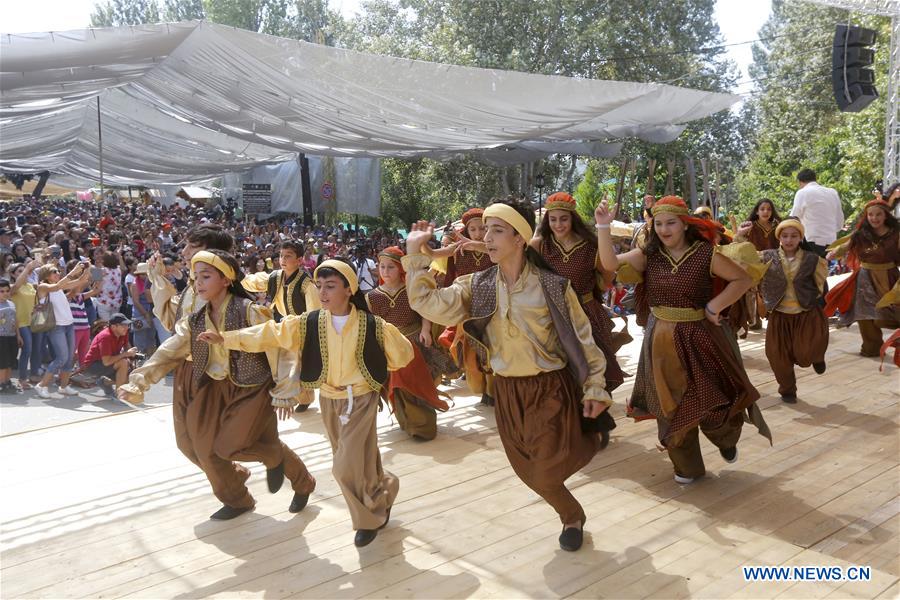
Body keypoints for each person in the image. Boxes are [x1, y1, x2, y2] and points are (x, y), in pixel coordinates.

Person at [403, 198, 614, 552]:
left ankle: (571, 516)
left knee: (544, 472)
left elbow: (583, 339)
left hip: (550, 389)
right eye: (485, 229)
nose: (487, 237)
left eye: (497, 230)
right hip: (507, 392)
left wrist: (594, 388)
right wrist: (417, 256)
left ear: (520, 238)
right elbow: (427, 303)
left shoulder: (551, 286)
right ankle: (571, 513)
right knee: (526, 469)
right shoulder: (477, 284)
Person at [203, 258, 414, 546]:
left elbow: (403, 355)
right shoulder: (310, 322)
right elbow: (270, 334)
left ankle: (369, 519)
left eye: (331, 286)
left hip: (361, 399)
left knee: (344, 466)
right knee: (358, 459)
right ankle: (385, 488)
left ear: (348, 289)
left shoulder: (373, 325)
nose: (323, 292)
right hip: (329, 399)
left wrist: (375, 361)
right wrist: (225, 338)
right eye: (320, 286)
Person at [119, 250, 316, 520]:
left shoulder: (249, 310)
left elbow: (281, 346)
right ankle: (238, 497)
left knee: (229, 447)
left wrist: (285, 390)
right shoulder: (195, 319)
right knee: (198, 447)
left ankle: (290, 471)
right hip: (213, 385)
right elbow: (170, 350)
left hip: (251, 386)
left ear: (226, 279)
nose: (198, 282)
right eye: (196, 277)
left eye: (206, 276)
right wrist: (139, 381)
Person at [596, 196, 771, 485]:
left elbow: (742, 280)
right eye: (659, 223)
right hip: (661, 339)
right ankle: (686, 466)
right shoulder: (649, 255)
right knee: (670, 405)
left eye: (671, 223)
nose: (664, 229)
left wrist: (714, 306)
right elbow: (609, 263)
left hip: (701, 336)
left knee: (714, 399)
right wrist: (603, 226)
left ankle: (725, 438)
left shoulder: (705, 254)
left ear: (684, 224)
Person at [530, 191, 626, 392]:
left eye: (563, 219)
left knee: (595, 370)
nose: (558, 225)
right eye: (553, 219)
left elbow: (607, 278)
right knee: (561, 375)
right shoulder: (539, 245)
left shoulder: (592, 246)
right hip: (553, 316)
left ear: (573, 218)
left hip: (588, 314)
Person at [737, 219, 828, 402]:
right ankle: (787, 390)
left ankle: (816, 356)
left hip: (805, 314)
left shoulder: (812, 259)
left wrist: (813, 301)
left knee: (805, 353)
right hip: (779, 315)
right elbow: (744, 256)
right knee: (776, 355)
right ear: (779, 238)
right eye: (785, 236)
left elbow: (821, 284)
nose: (789, 240)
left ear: (800, 237)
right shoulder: (767, 256)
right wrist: (739, 235)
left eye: (794, 236)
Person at [366, 246, 452, 440]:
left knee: (417, 383)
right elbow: (373, 324)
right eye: (382, 267)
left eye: (391, 267)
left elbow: (423, 311)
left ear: (401, 269)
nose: (386, 272)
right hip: (390, 347)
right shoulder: (372, 296)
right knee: (398, 387)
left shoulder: (410, 290)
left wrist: (426, 330)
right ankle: (408, 422)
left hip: (414, 343)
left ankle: (423, 426)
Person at [425, 208, 496, 404]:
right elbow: (434, 255)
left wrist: (476, 245)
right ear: (467, 230)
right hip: (467, 310)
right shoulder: (458, 249)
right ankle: (482, 388)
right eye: (473, 229)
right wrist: (422, 244)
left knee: (492, 351)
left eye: (483, 228)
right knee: (467, 353)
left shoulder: (496, 247)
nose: (479, 234)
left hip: (494, 307)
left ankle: (492, 391)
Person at [825, 199, 899, 356]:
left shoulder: (896, 233)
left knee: (892, 311)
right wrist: (834, 253)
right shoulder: (861, 234)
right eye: (870, 214)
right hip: (865, 278)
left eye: (878, 214)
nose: (874, 218)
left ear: (886, 215)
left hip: (889, 276)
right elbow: (846, 246)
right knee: (864, 313)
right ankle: (871, 347)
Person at [34, 262, 92, 399]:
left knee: (69, 358)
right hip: (56, 327)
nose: (58, 273)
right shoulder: (43, 286)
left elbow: (81, 281)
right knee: (61, 358)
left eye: (58, 271)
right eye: (54, 271)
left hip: (69, 325)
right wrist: (74, 271)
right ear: (46, 274)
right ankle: (42, 385)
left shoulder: (59, 286)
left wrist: (86, 269)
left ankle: (64, 386)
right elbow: (58, 285)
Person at [790, 169, 844, 257]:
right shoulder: (833, 192)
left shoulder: (802, 193)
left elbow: (793, 219)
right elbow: (839, 222)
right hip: (831, 242)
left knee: (809, 269)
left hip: (810, 241)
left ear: (799, 182)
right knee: (824, 269)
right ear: (815, 179)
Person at [82, 313, 137, 398]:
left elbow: (127, 348)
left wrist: (131, 357)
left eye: (127, 325)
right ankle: (119, 396)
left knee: (132, 376)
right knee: (123, 363)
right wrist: (125, 354)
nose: (127, 327)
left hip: (109, 362)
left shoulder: (123, 332)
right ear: (114, 327)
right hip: (93, 365)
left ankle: (104, 382)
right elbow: (107, 362)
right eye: (123, 325)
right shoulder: (105, 337)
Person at [10, 260, 39, 389]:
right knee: (27, 350)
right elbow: (16, 287)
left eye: (25, 271)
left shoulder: (31, 286)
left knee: (36, 350)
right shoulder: (12, 287)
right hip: (20, 323)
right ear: (13, 274)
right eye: (20, 271)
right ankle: (22, 379)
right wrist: (27, 268)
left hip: (34, 322)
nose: (24, 273)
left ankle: (33, 375)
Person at [0, 279, 22, 394]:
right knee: (2, 362)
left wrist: (18, 336)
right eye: (1, 291)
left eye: (7, 291)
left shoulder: (12, 304)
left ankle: (8, 381)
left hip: (12, 336)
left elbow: (15, 321)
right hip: (1, 338)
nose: (5, 293)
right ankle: (1, 383)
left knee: (10, 361)